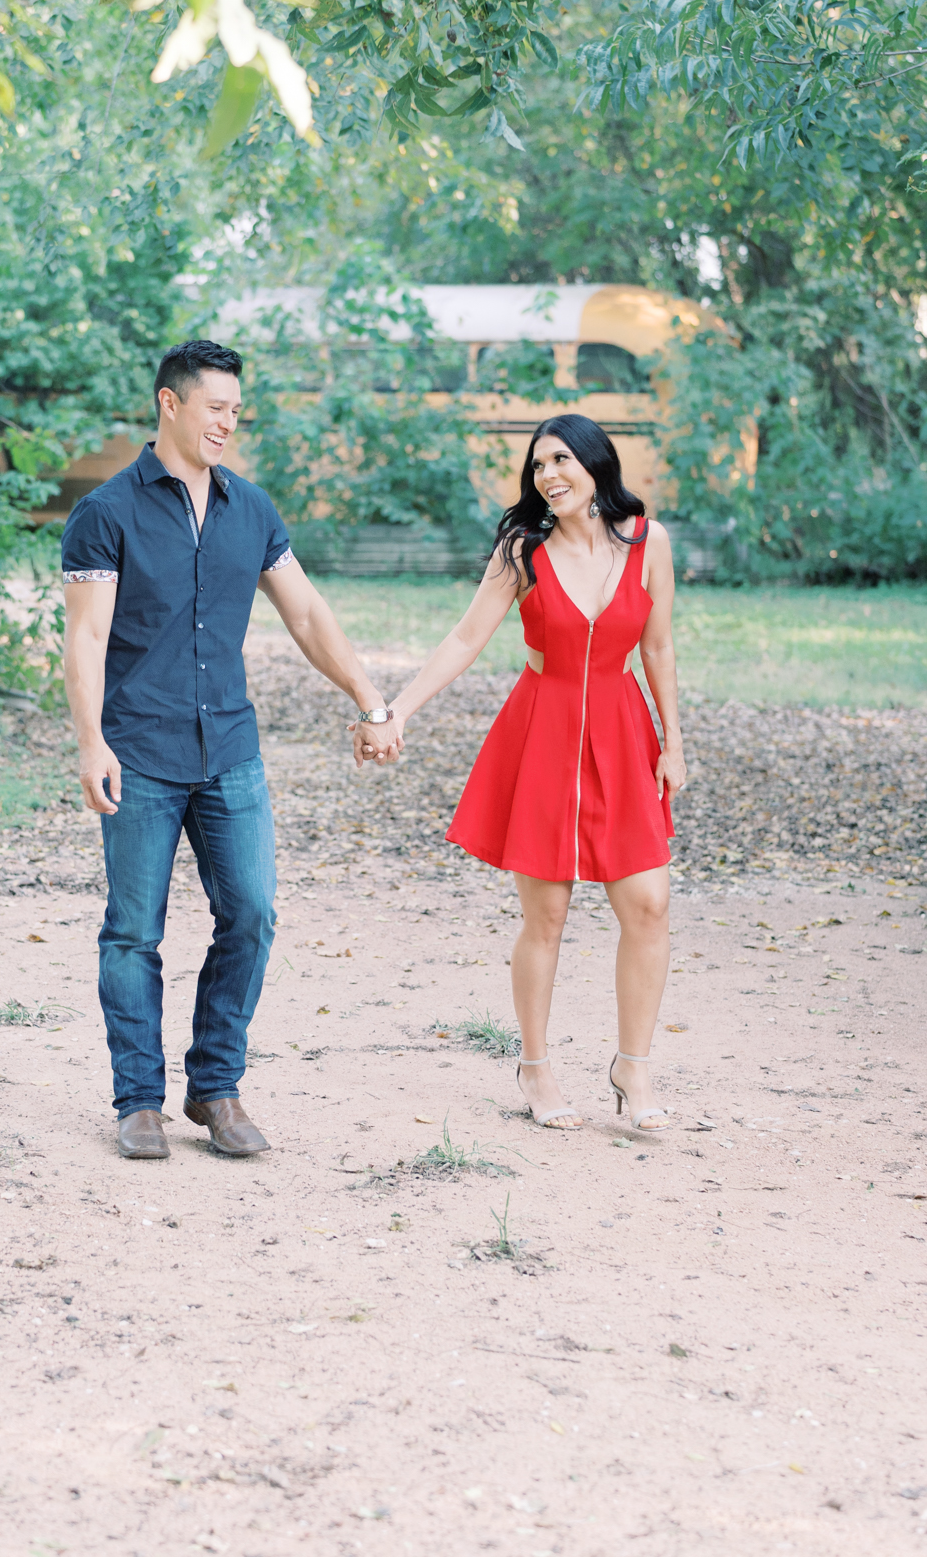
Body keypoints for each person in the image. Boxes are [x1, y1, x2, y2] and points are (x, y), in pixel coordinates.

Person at [62, 339, 393, 1162]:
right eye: (216, 408)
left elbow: (308, 615)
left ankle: (215, 1087)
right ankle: (139, 1100)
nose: (228, 424)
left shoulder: (253, 510)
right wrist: (90, 740)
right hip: (138, 747)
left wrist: (369, 696)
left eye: (236, 412)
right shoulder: (106, 513)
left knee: (252, 912)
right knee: (134, 930)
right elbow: (86, 637)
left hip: (230, 749)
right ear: (169, 403)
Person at [353, 414, 686, 1132]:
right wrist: (397, 710)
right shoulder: (522, 549)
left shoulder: (647, 541)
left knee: (649, 902)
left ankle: (635, 1064)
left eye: (562, 459)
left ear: (597, 464)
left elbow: (657, 648)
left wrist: (674, 741)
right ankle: (535, 1065)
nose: (549, 476)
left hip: (624, 733)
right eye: (538, 467)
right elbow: (467, 635)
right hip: (544, 729)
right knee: (549, 913)